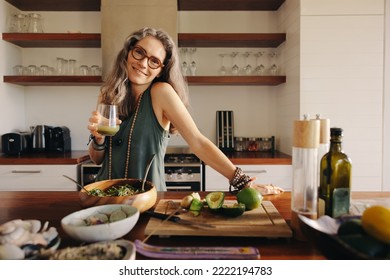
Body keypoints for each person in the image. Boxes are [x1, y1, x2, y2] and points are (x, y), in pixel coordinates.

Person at [87, 27, 282, 195]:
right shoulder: (108, 94)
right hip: (103, 197)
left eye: (154, 61)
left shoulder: (161, 93)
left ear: (161, 70)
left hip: (146, 200)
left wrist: (241, 182)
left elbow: (198, 142)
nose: (143, 64)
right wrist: (98, 138)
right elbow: (97, 159)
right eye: (139, 52)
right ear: (129, 53)